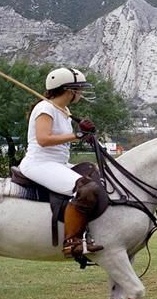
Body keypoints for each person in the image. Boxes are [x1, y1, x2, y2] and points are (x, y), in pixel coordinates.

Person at [18, 67, 104, 258]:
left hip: (57, 163)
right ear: (69, 90)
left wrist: (84, 135)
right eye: (79, 89)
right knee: (84, 189)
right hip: (39, 163)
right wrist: (77, 135)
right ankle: (72, 242)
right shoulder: (45, 108)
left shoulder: (63, 110)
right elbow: (43, 139)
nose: (81, 93)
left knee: (93, 174)